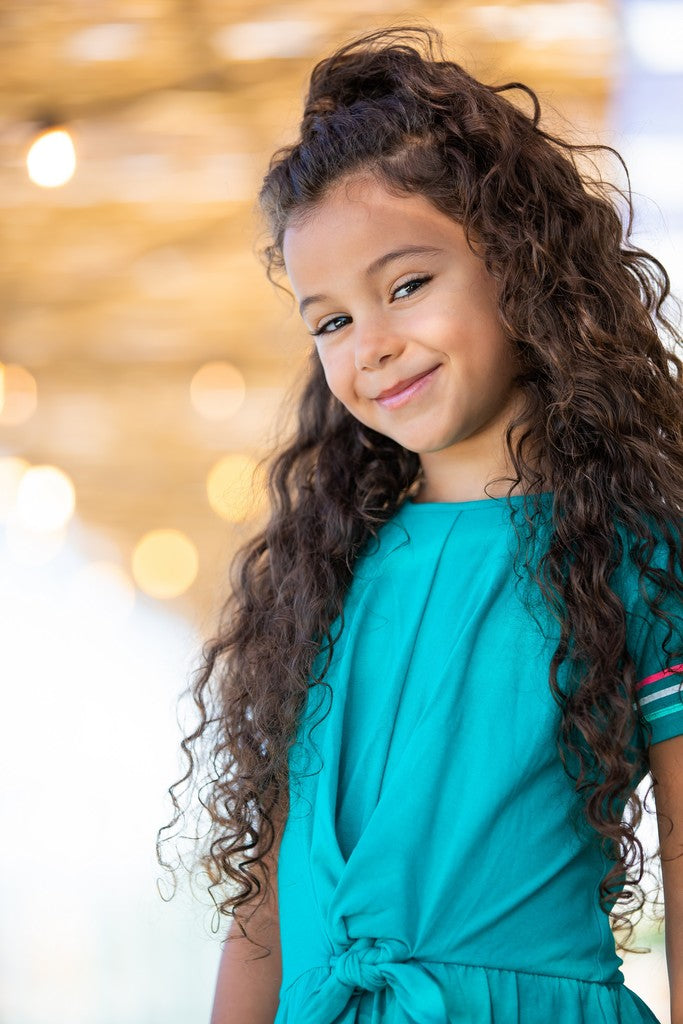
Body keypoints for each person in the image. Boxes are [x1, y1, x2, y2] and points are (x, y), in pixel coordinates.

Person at [156, 24, 683, 1024]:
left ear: (518, 265)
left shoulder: (636, 554)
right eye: (331, 321)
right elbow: (262, 903)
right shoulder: (320, 572)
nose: (374, 346)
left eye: (406, 285)